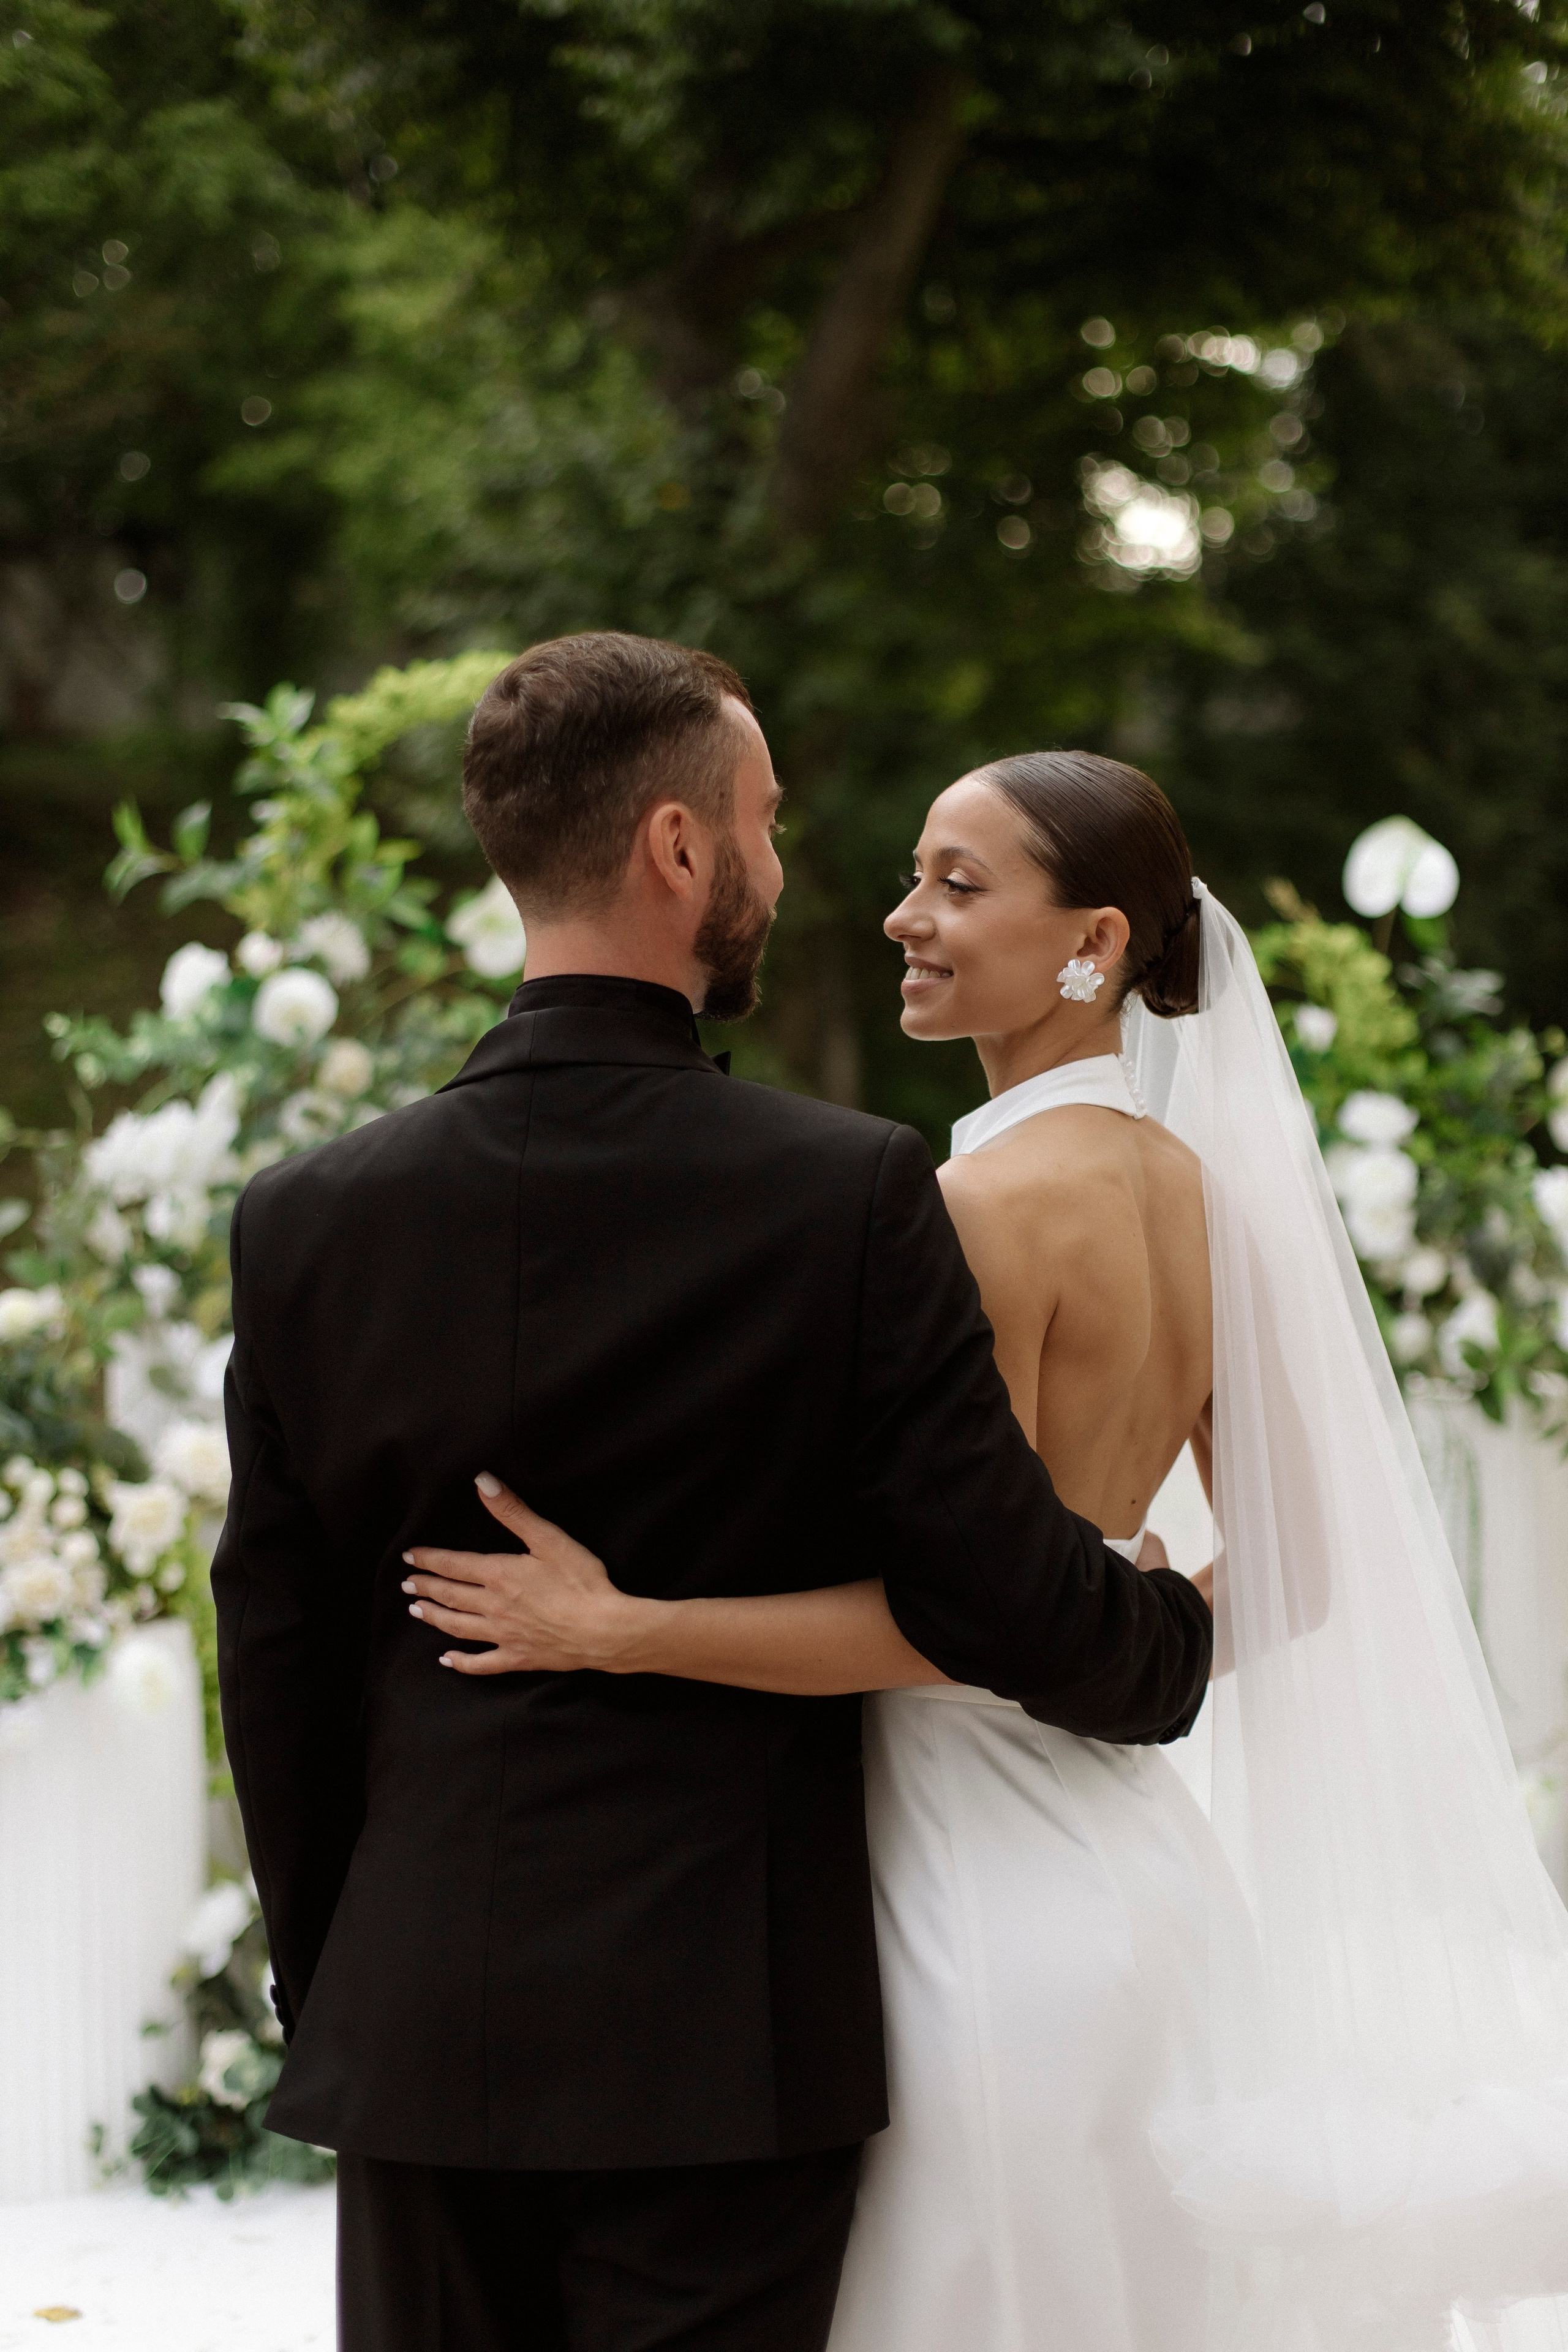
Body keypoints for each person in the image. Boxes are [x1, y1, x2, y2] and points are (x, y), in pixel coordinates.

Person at [411, 748, 1568, 2351]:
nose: (904, 918)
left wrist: (624, 1628)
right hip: (1147, 1884)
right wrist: (1143, 1602)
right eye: (912, 875)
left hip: (954, 1893)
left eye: (960, 887)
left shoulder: (971, 1206)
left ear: (1092, 943)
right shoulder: (1202, 1197)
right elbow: (1292, 1569)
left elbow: (963, 1621)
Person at [211, 638, 1212, 2352]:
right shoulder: (847, 1197)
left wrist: (345, 1973)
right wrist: (1171, 1646)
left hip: (421, 2014)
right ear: (678, 851)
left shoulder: (308, 1216)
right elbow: (997, 1592)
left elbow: (280, 1658)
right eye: (760, 819)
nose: (784, 860)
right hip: (727, 2037)